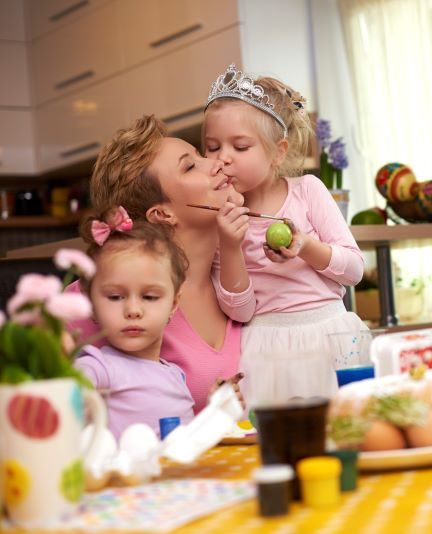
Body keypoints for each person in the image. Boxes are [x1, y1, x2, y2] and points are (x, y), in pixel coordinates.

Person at [203, 64, 366, 405]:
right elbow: (241, 312)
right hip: (264, 347)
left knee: (346, 427)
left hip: (329, 335)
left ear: (277, 152)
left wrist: (305, 246)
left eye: (240, 146)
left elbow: (353, 270)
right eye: (212, 147)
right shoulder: (219, 218)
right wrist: (230, 245)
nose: (223, 159)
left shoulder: (307, 191)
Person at [68, 115, 244, 411]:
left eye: (200, 155)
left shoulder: (241, 274)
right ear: (161, 215)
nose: (215, 163)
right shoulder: (90, 300)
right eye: (190, 166)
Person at [75, 213, 194, 438]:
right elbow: (65, 398)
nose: (133, 310)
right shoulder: (99, 368)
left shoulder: (175, 374)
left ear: (173, 304)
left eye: (149, 297)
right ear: (91, 303)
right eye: (115, 297)